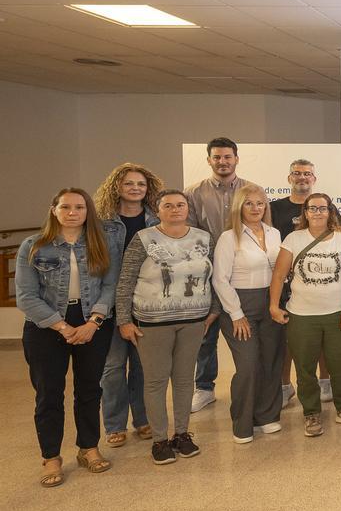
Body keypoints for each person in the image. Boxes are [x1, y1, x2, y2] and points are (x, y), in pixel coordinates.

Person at [17, 189, 119, 486]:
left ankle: (88, 448)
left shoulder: (102, 243)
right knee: (48, 394)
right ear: (54, 210)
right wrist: (62, 327)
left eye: (79, 207)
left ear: (88, 212)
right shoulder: (34, 246)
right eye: (66, 207)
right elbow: (26, 296)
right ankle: (51, 457)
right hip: (45, 327)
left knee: (89, 389)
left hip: (92, 323)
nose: (72, 212)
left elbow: (110, 286)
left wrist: (93, 323)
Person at [116, 190, 218, 464]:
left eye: (180, 205)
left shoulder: (204, 237)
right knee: (156, 381)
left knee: (184, 380)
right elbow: (126, 280)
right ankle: (160, 439)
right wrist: (124, 320)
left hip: (193, 321)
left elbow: (215, 277)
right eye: (168, 206)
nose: (175, 210)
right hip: (153, 323)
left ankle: (182, 434)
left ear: (188, 209)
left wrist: (214, 310)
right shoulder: (144, 239)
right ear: (157, 210)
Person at [268, 193, 341, 437]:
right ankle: (311, 412)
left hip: (338, 314)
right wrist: (274, 306)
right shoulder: (293, 238)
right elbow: (279, 274)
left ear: (330, 212)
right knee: (305, 367)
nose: (318, 212)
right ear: (305, 213)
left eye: (322, 208)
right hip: (301, 316)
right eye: (313, 208)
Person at [94, 163, 163, 447]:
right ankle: (114, 425)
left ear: (148, 189)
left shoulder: (156, 221)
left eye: (141, 184)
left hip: (145, 301)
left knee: (143, 366)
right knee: (112, 367)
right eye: (129, 183)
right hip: (109, 302)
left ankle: (143, 419)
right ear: (117, 187)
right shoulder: (101, 222)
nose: (135, 188)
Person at [212, 184, 285, 442]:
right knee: (248, 365)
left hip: (272, 302)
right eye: (249, 203)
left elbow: (280, 269)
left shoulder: (274, 233)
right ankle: (242, 423)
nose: (255, 208)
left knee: (271, 361)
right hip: (240, 304)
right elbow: (220, 279)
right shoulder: (228, 237)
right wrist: (236, 314)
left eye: (260, 203)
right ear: (239, 207)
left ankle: (267, 416)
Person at [185, 137, 252, 414]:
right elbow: (188, 234)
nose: (222, 162)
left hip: (244, 273)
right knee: (206, 334)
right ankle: (204, 388)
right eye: (217, 157)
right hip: (206, 272)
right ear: (209, 160)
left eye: (227, 157)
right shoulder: (193, 193)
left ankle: (252, 383)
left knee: (248, 333)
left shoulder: (251, 190)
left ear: (236, 159)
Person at [269, 159, 331, 406]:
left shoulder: (325, 206)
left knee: (322, 338)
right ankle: (285, 385)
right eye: (297, 173)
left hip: (318, 284)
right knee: (287, 340)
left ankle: (325, 381)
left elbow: (338, 237)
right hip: (286, 284)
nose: (302, 177)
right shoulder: (273, 208)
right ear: (289, 178)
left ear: (314, 179)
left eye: (307, 174)